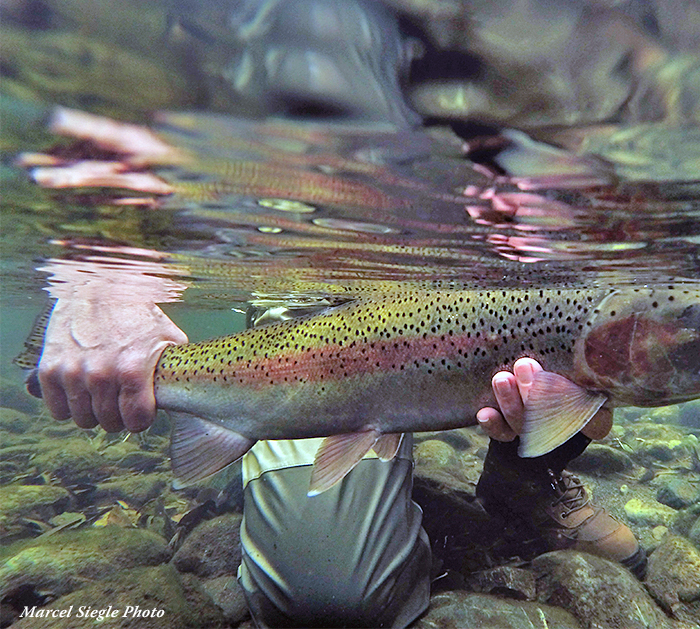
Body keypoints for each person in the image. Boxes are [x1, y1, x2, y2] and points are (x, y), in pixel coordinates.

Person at [33, 258, 646, 628]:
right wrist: (100, 285)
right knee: (330, 597)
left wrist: (576, 408)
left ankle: (527, 479)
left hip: (494, 310)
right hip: (318, 317)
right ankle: (248, 413)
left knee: (555, 347)